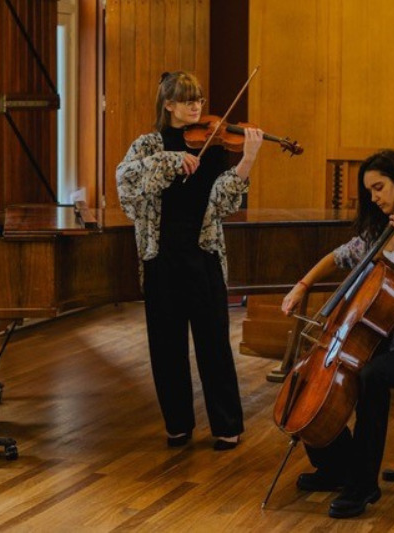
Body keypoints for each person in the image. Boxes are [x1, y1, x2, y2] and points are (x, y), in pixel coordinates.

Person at [281, 149, 394, 518]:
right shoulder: (378, 234)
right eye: (369, 192)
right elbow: (339, 255)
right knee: (315, 380)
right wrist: (302, 284)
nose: (375, 197)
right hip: (387, 340)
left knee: (373, 376)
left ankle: (363, 485)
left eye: (379, 187)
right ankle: (336, 467)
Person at [116, 71, 264, 451]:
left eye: (197, 99)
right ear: (168, 105)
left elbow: (224, 203)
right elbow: (126, 183)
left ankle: (226, 425)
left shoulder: (214, 146)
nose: (196, 106)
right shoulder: (148, 145)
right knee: (166, 347)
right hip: (160, 256)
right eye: (187, 100)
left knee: (214, 343)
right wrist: (171, 160)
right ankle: (178, 424)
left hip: (204, 255)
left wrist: (246, 160)